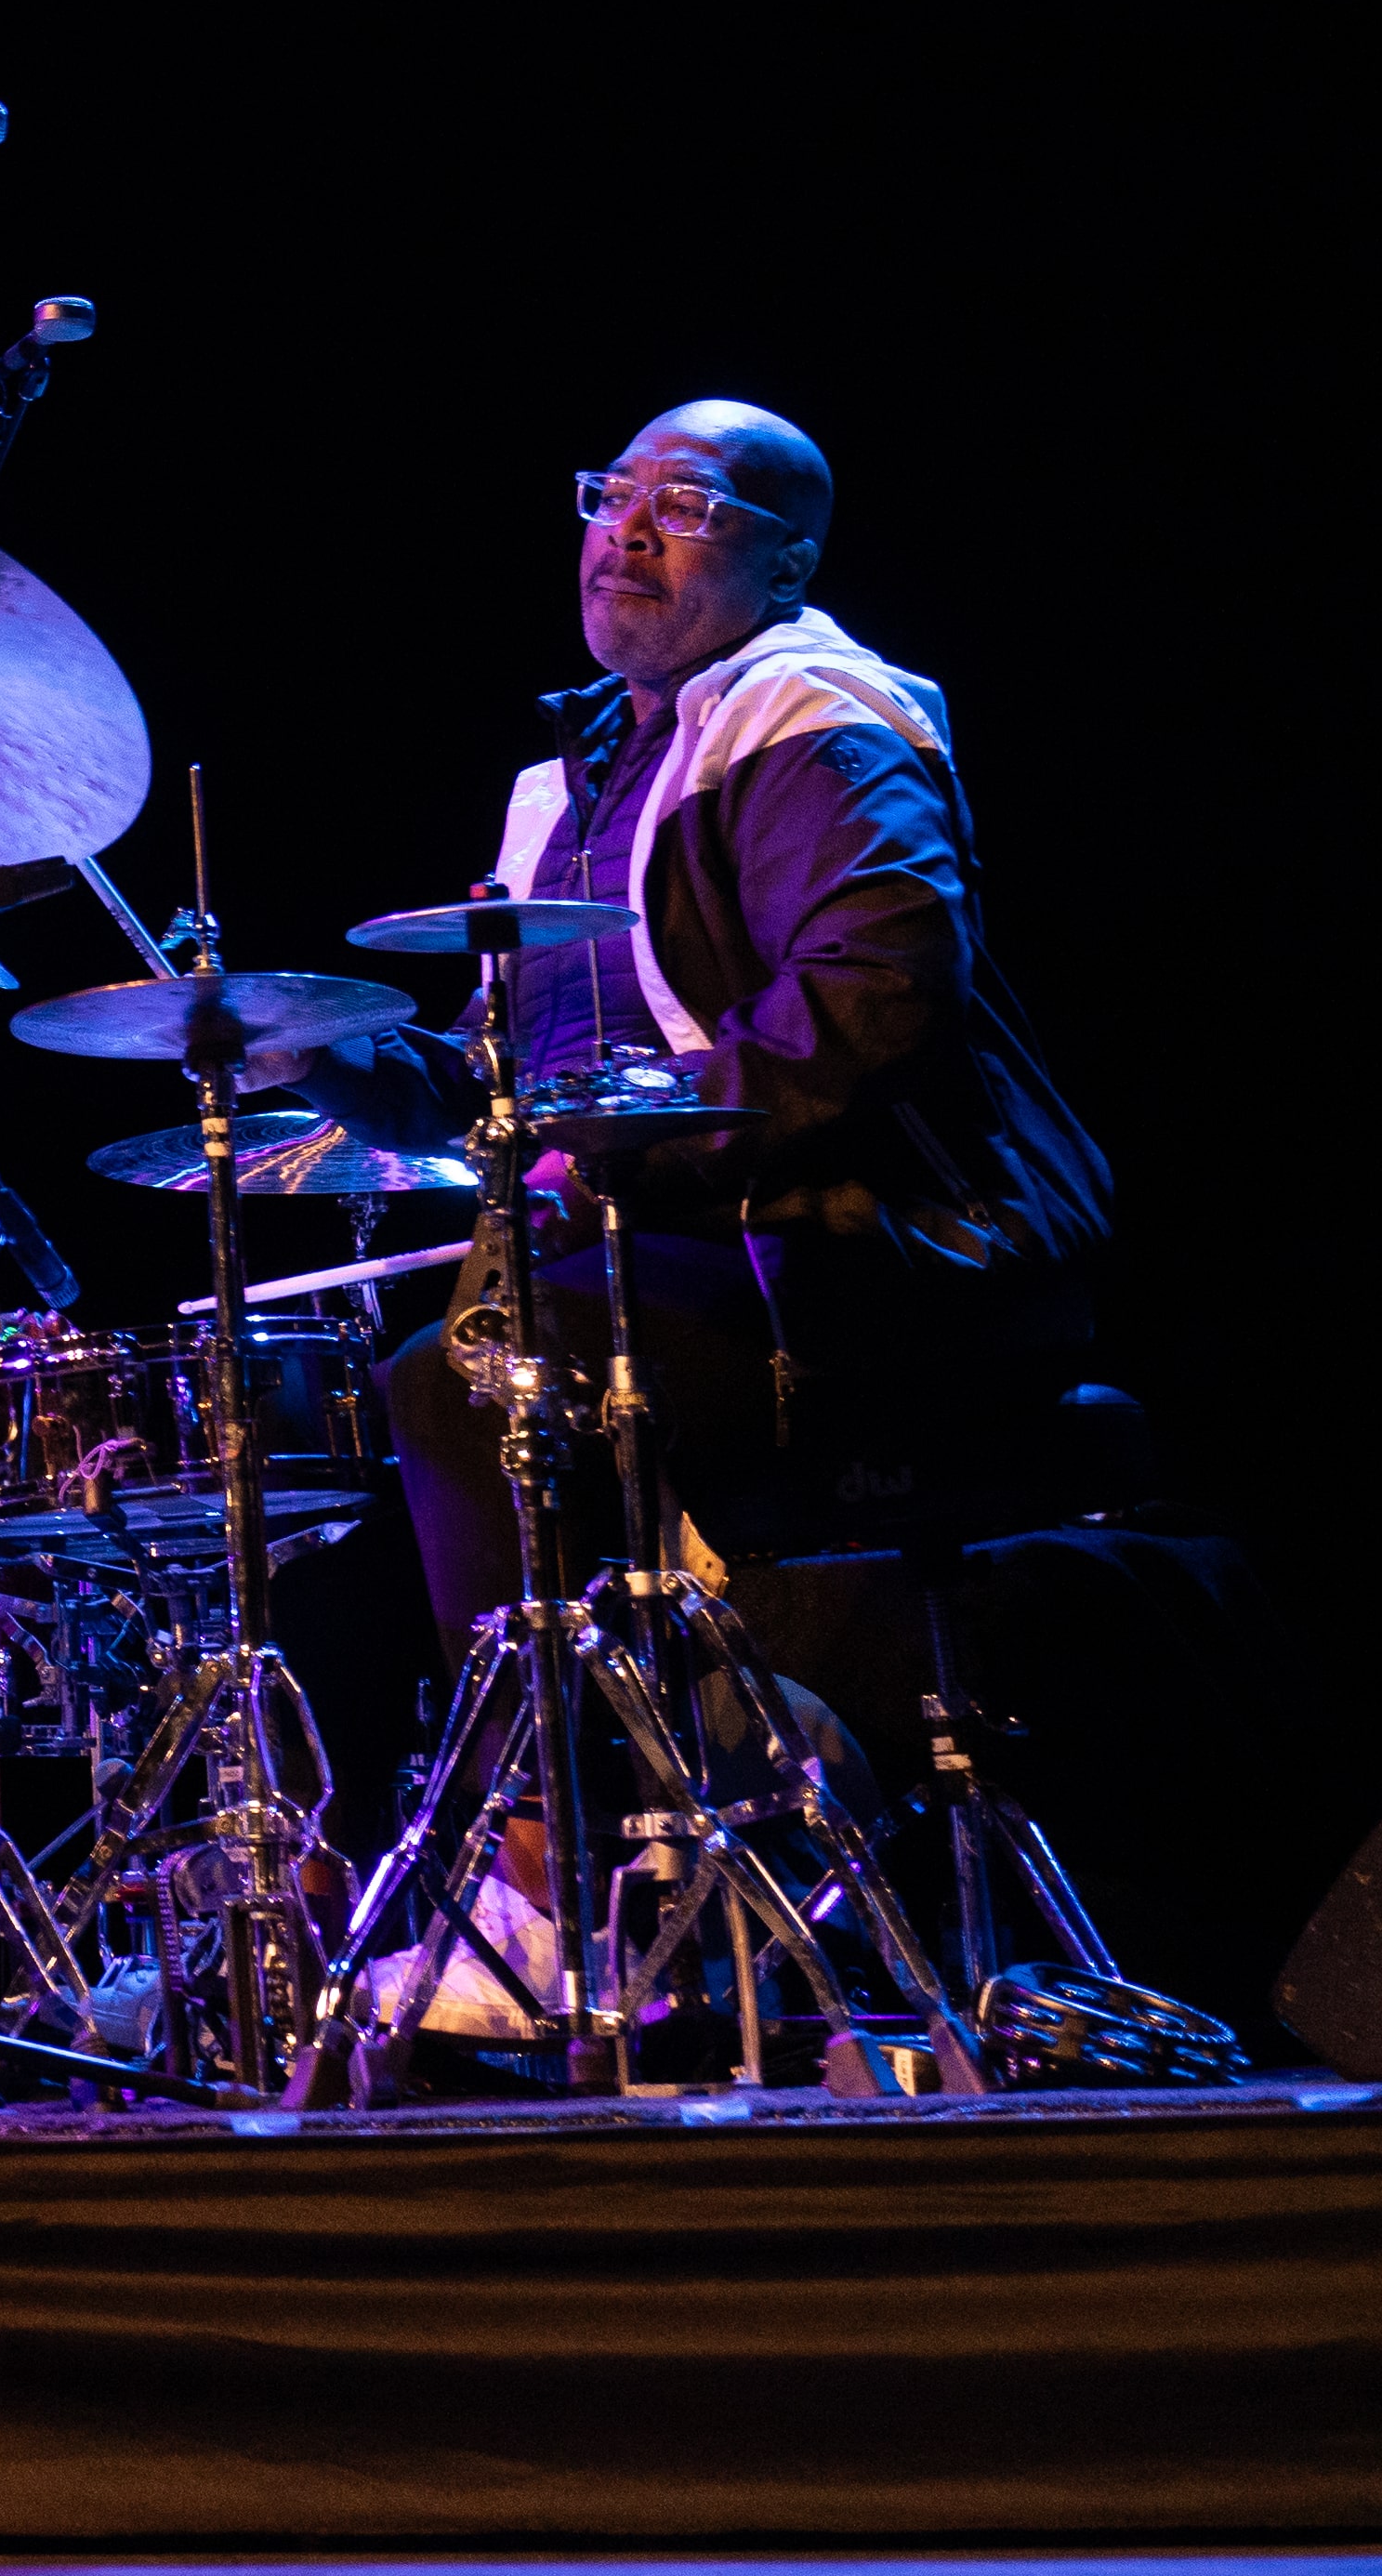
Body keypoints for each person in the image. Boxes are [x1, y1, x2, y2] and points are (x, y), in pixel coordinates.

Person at [295, 401, 1110, 2018]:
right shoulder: (573, 779)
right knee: (447, 1353)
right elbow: (524, 1098)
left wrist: (599, 1162)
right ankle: (642, 1854)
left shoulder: (813, 708)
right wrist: (357, 1074)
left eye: (687, 505)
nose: (628, 533)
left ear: (788, 554)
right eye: (610, 497)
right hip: (701, 1241)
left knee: (469, 1369)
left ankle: (546, 1885)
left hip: (889, 1248)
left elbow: (873, 1006)